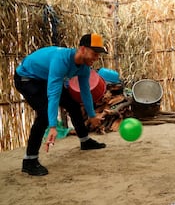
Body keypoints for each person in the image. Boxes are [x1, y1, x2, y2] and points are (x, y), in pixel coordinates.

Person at [14, 33, 108, 176]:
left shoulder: (84, 67)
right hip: (27, 78)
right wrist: (52, 126)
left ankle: (85, 141)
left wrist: (91, 115)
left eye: (99, 54)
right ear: (82, 49)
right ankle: (30, 161)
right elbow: (53, 94)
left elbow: (85, 92)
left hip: (44, 77)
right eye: (94, 53)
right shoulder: (61, 61)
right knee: (44, 115)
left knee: (72, 104)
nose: (97, 58)